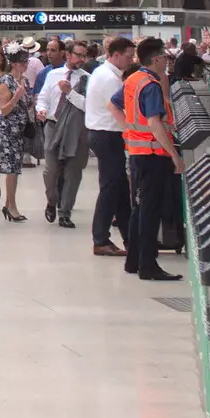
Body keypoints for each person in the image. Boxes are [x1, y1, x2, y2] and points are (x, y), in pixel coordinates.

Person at [112, 37, 183, 282]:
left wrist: (128, 133)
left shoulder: (133, 79)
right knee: (151, 210)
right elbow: (154, 122)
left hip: (138, 154)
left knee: (140, 208)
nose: (166, 61)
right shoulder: (150, 85)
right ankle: (148, 266)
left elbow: (113, 105)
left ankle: (133, 261)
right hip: (154, 155)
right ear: (156, 59)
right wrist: (174, 155)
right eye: (165, 57)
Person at [87, 36, 135, 258]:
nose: (130, 59)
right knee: (110, 188)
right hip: (106, 135)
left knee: (120, 189)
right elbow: (118, 109)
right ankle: (100, 239)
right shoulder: (110, 79)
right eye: (128, 55)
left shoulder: (103, 73)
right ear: (115, 55)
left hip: (104, 134)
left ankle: (130, 237)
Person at [36, 40, 90, 229]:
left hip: (76, 131)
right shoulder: (52, 75)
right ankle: (52, 201)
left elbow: (88, 106)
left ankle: (65, 212)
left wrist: (70, 93)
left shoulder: (86, 78)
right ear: (68, 55)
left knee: (72, 173)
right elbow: (43, 97)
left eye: (84, 55)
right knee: (51, 170)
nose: (82, 59)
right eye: (78, 55)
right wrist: (41, 109)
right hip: (52, 126)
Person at [0, 48, 35, 222]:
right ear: (16, 64)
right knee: (11, 168)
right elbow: (4, 109)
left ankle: (8, 204)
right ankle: (12, 206)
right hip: (6, 128)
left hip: (19, 128)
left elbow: (29, 102)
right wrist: (17, 96)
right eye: (24, 62)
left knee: (15, 168)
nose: (26, 65)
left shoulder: (23, 80)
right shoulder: (5, 81)